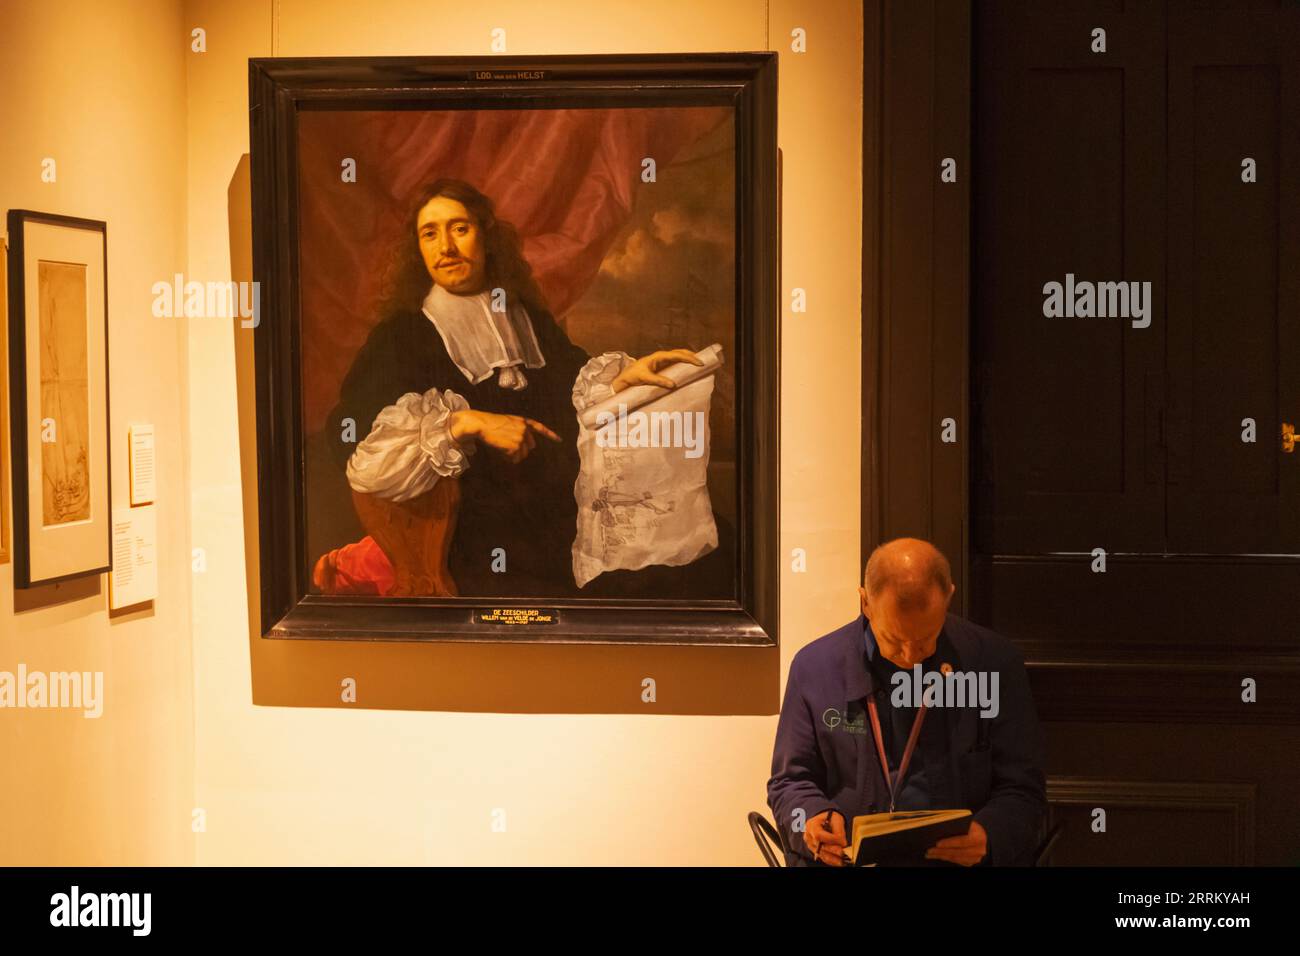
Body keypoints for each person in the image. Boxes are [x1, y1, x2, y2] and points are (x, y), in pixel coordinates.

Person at [326, 178, 705, 597]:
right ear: (417, 250)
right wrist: (464, 423)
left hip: (567, 512)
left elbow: (574, 389)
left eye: (459, 228)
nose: (445, 247)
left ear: (486, 236)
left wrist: (622, 379)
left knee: (691, 556)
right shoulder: (401, 336)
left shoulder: (524, 319)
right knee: (631, 584)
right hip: (483, 538)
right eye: (429, 234)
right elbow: (356, 444)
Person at [767, 537, 1047, 866]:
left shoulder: (994, 662)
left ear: (948, 598)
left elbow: (1024, 790)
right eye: (895, 640)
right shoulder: (815, 667)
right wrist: (811, 820)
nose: (911, 657)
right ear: (865, 603)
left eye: (926, 639)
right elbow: (789, 783)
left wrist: (990, 834)